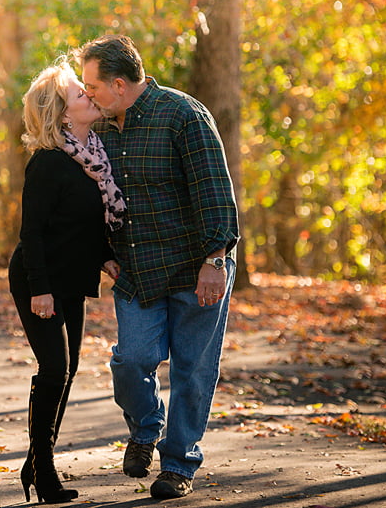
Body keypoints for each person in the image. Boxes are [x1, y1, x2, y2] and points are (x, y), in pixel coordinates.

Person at [74, 35, 240, 500]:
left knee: (193, 368)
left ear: (121, 84)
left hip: (195, 267)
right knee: (132, 361)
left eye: (92, 86)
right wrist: (100, 253)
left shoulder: (183, 115)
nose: (87, 95)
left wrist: (215, 260)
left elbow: (215, 193)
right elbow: (92, 199)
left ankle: (178, 465)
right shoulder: (100, 127)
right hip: (136, 271)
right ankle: (146, 428)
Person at [8, 58, 123, 504]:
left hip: (72, 278)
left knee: (68, 371)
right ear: (60, 113)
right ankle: (45, 473)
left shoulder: (92, 157)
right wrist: (40, 289)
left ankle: (35, 464)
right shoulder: (48, 164)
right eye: (80, 94)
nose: (89, 96)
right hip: (40, 279)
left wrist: (106, 258)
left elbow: (83, 224)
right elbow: (32, 233)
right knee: (54, 368)